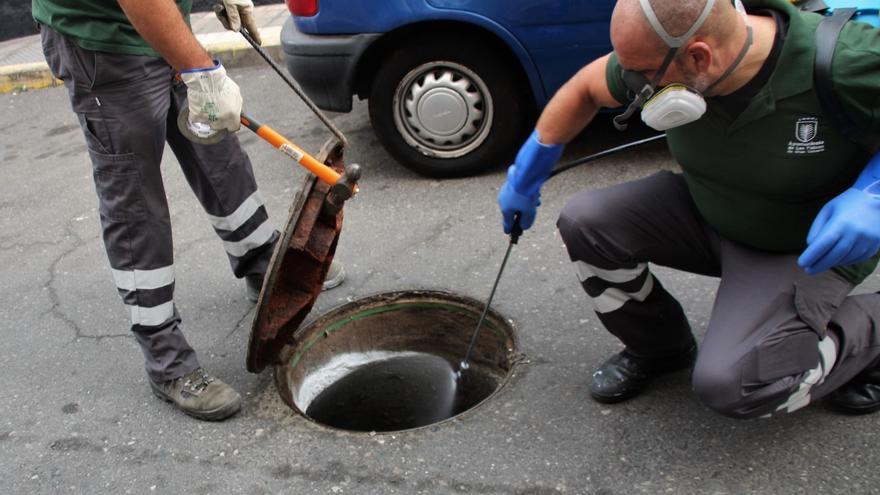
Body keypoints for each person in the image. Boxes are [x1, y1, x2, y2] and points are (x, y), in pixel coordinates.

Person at [498, 0, 880, 418]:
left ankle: (869, 337)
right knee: (585, 222)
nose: (635, 85)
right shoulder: (665, 58)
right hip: (710, 211)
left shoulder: (847, 61)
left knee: (736, 386)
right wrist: (527, 172)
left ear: (699, 56)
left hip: (803, 249)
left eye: (644, 74)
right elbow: (585, 88)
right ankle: (662, 348)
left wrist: (872, 194)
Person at [33, 0, 345, 421]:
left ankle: (260, 261)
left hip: (163, 24)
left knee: (219, 152)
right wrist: (200, 69)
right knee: (135, 204)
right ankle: (165, 356)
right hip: (103, 42)